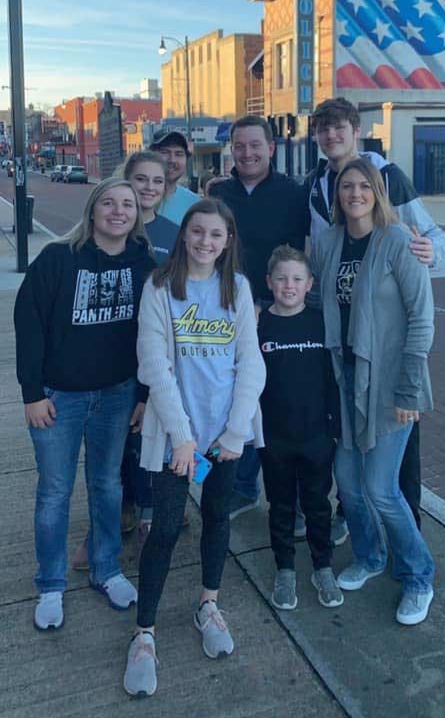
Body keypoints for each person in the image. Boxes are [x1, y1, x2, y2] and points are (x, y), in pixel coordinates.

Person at [123, 198, 265, 697]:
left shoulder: (239, 289)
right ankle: (144, 633)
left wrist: (232, 433)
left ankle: (208, 603)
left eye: (216, 235)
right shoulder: (161, 287)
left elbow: (251, 363)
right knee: (162, 529)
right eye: (198, 232)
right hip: (175, 440)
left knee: (216, 518)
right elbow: (154, 367)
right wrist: (183, 438)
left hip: (223, 437)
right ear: (184, 235)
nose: (206, 242)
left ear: (228, 242)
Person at [14, 178, 155, 631]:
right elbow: (29, 325)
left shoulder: (144, 264)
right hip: (59, 398)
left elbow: (153, 338)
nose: (118, 211)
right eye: (109, 203)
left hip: (117, 395)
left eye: (127, 205)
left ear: (137, 214)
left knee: (108, 487)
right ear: (93, 211)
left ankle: (106, 569)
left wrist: (144, 395)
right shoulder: (59, 259)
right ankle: (51, 583)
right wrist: (32, 393)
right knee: (54, 492)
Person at [306, 96, 445, 538]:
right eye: (324, 129)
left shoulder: (386, 176)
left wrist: (431, 249)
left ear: (355, 130)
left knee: (396, 456)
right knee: (352, 457)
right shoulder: (315, 184)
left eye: (339, 127)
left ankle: (410, 532)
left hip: (389, 339)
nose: (332, 135)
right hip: (344, 341)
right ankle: (359, 523)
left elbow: (432, 234)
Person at [313, 158, 435, 626]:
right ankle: (370, 556)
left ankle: (419, 575)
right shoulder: (327, 242)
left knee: (381, 489)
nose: (356, 194)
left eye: (365, 186)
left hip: (390, 385)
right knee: (348, 484)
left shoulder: (399, 240)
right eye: (347, 186)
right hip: (344, 379)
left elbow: (423, 318)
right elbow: (315, 299)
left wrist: (408, 391)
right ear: (338, 195)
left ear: (377, 193)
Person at [70, 152, 181, 572]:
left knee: (151, 438)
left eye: (157, 181)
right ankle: (108, 523)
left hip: (155, 353)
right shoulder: (111, 227)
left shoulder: (174, 231)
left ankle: (153, 513)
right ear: (125, 182)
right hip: (111, 354)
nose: (149, 187)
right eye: (140, 180)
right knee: (111, 447)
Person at [209, 115, 309, 521]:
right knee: (239, 402)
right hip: (228, 314)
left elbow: (307, 250)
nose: (247, 153)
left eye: (255, 145)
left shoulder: (293, 194)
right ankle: (243, 488)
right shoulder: (219, 194)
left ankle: (296, 501)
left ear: (271, 148)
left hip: (278, 312)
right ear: (232, 149)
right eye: (240, 145)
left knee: (284, 406)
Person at [258, 245, 342, 612]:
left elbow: (333, 380)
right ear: (269, 282)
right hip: (274, 437)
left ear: (309, 284)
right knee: (280, 506)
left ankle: (322, 565)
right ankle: (286, 568)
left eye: (296, 279)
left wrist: (333, 429)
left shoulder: (321, 321)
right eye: (281, 278)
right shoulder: (260, 324)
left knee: (317, 505)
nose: (288, 286)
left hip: (315, 437)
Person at [151, 130, 199, 224]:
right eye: (165, 152)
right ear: (150, 155)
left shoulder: (195, 202)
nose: (172, 160)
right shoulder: (134, 198)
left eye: (179, 154)